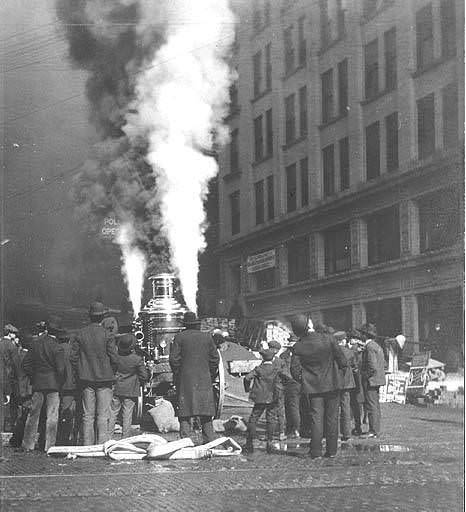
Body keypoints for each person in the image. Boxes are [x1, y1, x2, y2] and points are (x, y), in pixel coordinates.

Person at [291, 315, 347, 459]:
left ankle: (315, 452)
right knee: (332, 418)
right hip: (333, 384)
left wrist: (306, 380)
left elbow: (295, 371)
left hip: (313, 387)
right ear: (309, 325)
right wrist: (337, 372)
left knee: (316, 418)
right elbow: (343, 361)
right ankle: (331, 451)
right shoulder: (328, 339)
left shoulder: (298, 346)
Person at [70, 302, 118, 445]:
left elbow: (73, 358)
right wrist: (111, 371)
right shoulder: (108, 335)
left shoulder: (80, 334)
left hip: (86, 380)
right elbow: (114, 358)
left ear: (89, 316)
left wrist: (81, 370)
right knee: (103, 415)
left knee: (87, 415)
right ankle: (102, 445)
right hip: (105, 379)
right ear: (103, 316)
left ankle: (87, 446)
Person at [169, 311, 219, 445]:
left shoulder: (179, 337)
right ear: (197, 324)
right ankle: (209, 440)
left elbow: (173, 359)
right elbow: (215, 359)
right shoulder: (207, 337)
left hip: (185, 379)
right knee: (206, 410)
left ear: (185, 325)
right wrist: (210, 373)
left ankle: (185, 441)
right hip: (204, 378)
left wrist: (179, 373)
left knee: (185, 410)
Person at [21, 321, 65, 452]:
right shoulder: (57, 347)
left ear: (46, 329)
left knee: (33, 415)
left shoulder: (35, 343)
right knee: (52, 416)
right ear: (57, 332)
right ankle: (49, 446)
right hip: (53, 385)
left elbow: (25, 364)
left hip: (38, 383)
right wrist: (59, 382)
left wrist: (34, 376)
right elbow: (61, 370)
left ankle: (28, 444)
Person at [243, 349, 291, 453]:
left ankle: (249, 442)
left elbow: (247, 378)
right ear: (273, 358)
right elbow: (288, 378)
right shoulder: (276, 369)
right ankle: (269, 442)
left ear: (263, 358)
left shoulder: (259, 369)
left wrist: (248, 389)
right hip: (273, 396)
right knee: (271, 419)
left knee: (253, 418)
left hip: (259, 397)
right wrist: (282, 387)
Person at [108, 334, 148, 439]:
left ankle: (108, 437)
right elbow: (144, 375)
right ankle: (125, 439)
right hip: (130, 390)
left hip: (117, 388)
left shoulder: (116, 357)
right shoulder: (137, 359)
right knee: (127, 415)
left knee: (112, 414)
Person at [358, 323, 386, 438]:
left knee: (371, 405)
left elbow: (372, 366)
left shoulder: (369, 347)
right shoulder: (376, 345)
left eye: (361, 334)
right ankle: (375, 429)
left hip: (371, 380)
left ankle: (373, 431)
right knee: (375, 405)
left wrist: (364, 376)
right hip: (377, 379)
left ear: (365, 335)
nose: (360, 336)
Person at [334, 331, 356, 442]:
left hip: (335, 383)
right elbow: (354, 366)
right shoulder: (350, 352)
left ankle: (336, 434)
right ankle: (347, 434)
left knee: (334, 409)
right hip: (347, 383)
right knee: (346, 408)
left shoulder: (332, 352)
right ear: (343, 340)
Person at [348, 331, 365, 436]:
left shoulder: (352, 350)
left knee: (354, 406)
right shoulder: (363, 350)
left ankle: (357, 427)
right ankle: (359, 426)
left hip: (354, 381)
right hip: (361, 381)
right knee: (359, 405)